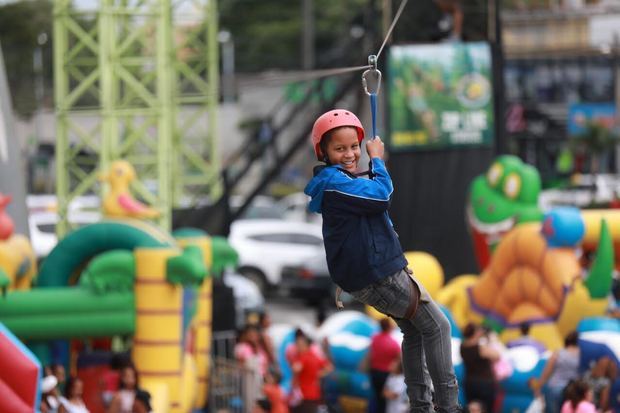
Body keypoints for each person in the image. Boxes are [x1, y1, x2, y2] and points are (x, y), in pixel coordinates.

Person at [304, 109, 460, 412]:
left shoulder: (339, 182)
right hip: (379, 272)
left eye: (354, 147)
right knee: (438, 327)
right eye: (340, 149)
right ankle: (448, 406)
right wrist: (377, 159)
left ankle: (420, 405)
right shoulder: (337, 183)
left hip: (367, 275)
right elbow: (381, 196)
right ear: (323, 152)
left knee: (415, 330)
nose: (350, 154)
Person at [530, 331, 581, 413]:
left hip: (555, 388)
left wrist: (538, 386)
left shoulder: (558, 353)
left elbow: (546, 372)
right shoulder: (582, 355)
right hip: (574, 391)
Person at [289, 329, 333, 413]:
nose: (297, 347)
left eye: (299, 345)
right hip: (315, 393)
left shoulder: (303, 357)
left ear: (306, 345)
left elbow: (296, 368)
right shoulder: (315, 356)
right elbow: (329, 367)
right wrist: (319, 374)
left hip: (303, 395)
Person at [460, 323, 500, 413]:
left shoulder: (462, 346)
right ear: (475, 333)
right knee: (486, 409)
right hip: (484, 384)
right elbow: (497, 356)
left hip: (469, 382)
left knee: (471, 409)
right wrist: (491, 340)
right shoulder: (480, 348)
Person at [368, 317, 401, 413]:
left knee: (377, 397)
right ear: (389, 327)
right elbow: (399, 358)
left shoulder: (374, 338)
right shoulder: (393, 343)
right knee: (386, 400)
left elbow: (370, 354)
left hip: (374, 372)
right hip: (386, 374)